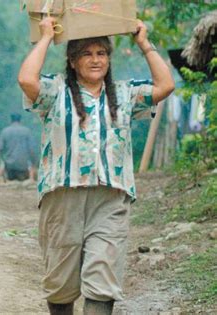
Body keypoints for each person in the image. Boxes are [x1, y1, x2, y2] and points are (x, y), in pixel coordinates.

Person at [18, 18, 174, 315]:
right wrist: (46, 37)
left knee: (104, 279)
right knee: (60, 281)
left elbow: (165, 85)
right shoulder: (55, 91)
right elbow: (27, 79)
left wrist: (144, 43)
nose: (95, 59)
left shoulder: (126, 94)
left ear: (109, 59)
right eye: (87, 54)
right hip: (63, 198)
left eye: (101, 53)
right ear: (73, 61)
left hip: (110, 199)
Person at [0, 113, 37, 181]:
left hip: (9, 167)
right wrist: (34, 164)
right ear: (20, 120)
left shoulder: (5, 131)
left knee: (3, 163)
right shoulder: (27, 131)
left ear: (11, 120)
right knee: (30, 165)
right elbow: (31, 150)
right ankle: (31, 179)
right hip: (24, 167)